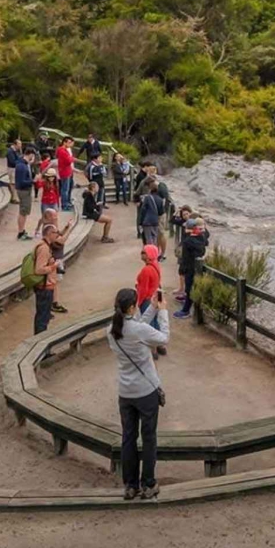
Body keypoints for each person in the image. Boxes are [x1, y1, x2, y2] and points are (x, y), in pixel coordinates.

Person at [108, 286, 169, 500]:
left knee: (128, 437)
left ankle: (130, 485)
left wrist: (151, 308)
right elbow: (163, 338)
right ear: (133, 308)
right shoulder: (138, 330)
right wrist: (162, 311)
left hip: (125, 393)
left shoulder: (111, 330)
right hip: (146, 392)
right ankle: (148, 483)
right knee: (149, 438)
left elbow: (136, 327)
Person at [176, 216, 210, 321]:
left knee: (189, 288)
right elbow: (202, 250)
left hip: (189, 267)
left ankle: (186, 310)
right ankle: (191, 308)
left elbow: (185, 256)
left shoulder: (188, 241)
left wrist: (183, 268)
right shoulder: (201, 238)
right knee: (193, 288)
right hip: (196, 266)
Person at [31, 224, 61, 334]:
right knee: (42, 319)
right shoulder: (44, 248)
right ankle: (40, 341)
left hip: (46, 286)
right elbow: (39, 270)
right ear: (49, 233)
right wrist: (54, 266)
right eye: (56, 233)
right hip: (44, 288)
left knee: (43, 317)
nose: (57, 235)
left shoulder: (45, 246)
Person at [14, 147, 37, 240]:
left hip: (25, 190)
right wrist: (33, 181)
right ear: (31, 154)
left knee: (24, 211)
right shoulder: (22, 166)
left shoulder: (25, 163)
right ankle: (20, 232)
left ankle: (22, 230)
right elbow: (22, 182)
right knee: (23, 212)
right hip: (24, 190)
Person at [137, 182, 166, 253]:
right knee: (154, 239)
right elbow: (161, 212)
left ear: (150, 189)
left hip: (147, 221)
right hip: (155, 222)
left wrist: (140, 222)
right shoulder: (160, 199)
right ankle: (155, 253)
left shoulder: (147, 198)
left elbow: (143, 211)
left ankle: (150, 254)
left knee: (149, 239)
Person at [56, 136, 77, 211]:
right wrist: (72, 159)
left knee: (67, 188)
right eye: (69, 142)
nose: (70, 144)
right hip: (65, 172)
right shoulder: (62, 151)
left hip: (68, 171)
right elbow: (68, 160)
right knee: (65, 189)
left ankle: (67, 203)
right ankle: (64, 205)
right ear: (64, 142)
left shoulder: (64, 150)